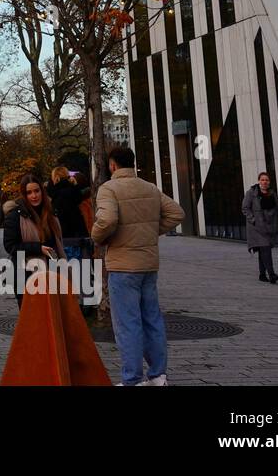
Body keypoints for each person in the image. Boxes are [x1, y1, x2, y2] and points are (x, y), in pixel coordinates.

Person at [92, 146, 184, 386]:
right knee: (152, 318)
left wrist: (98, 236)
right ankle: (158, 375)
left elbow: (108, 219)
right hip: (148, 264)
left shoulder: (108, 188)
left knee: (127, 323)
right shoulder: (149, 187)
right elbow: (176, 213)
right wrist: (151, 231)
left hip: (122, 265)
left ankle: (132, 378)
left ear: (112, 165)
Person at [1, 174, 64, 307]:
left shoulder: (50, 214)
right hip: (25, 274)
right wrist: (38, 248)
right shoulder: (15, 216)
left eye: (36, 191)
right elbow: (10, 246)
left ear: (42, 191)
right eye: (29, 192)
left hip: (51, 272)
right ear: (24, 195)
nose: (34, 196)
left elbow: (56, 244)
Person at [242, 171, 278, 282]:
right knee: (265, 248)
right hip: (257, 228)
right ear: (259, 181)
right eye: (262, 180)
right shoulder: (251, 193)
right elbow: (245, 208)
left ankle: (262, 275)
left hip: (269, 226)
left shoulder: (272, 193)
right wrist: (253, 220)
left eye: (267, 180)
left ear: (269, 182)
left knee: (263, 250)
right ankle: (272, 274)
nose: (265, 182)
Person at [47, 167, 89, 260]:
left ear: (55, 177)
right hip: (80, 238)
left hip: (65, 240)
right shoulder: (76, 193)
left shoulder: (58, 197)